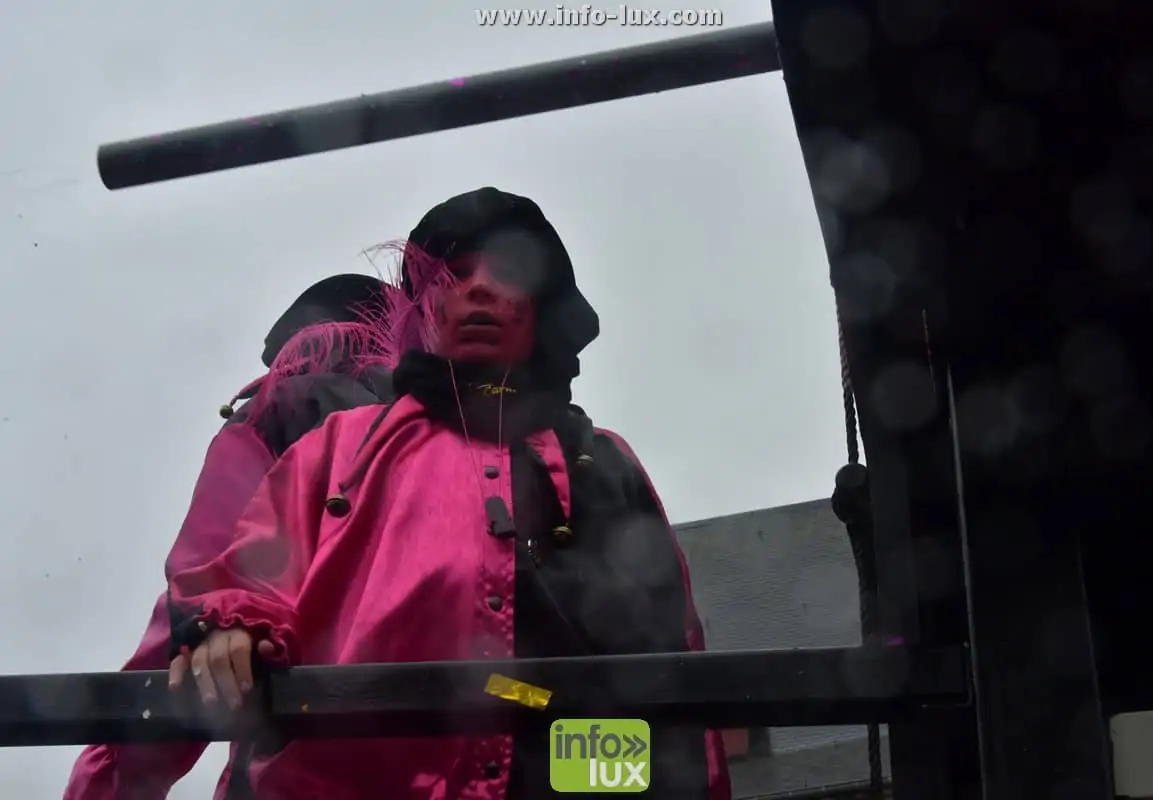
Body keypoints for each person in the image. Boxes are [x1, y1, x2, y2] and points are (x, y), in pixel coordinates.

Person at [167, 187, 731, 799]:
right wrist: (231, 627)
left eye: (508, 273)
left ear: (541, 309)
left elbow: (667, 668)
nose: (479, 289)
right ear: (426, 308)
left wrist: (590, 780)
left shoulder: (602, 460)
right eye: (455, 275)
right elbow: (248, 575)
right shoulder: (340, 446)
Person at [64, 272, 419, 800]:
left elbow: (203, 595)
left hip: (295, 764)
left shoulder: (277, 414)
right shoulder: (459, 434)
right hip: (464, 747)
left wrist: (108, 784)